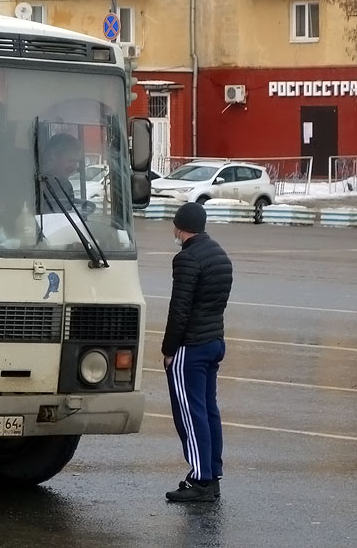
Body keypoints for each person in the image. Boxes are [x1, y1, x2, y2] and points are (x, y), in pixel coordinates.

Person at [162, 201, 233, 503]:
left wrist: (168, 349)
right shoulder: (219, 254)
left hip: (190, 347)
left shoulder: (187, 259)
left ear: (181, 227)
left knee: (190, 415)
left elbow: (179, 309)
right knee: (207, 411)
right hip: (214, 342)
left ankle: (200, 480)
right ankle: (211, 475)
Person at [38, 132, 82, 213]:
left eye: (77, 162)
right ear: (53, 156)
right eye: (71, 161)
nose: (74, 167)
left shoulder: (66, 186)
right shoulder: (34, 187)